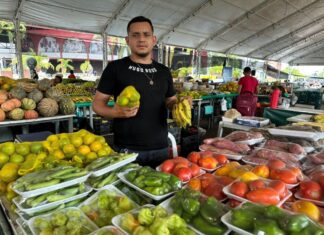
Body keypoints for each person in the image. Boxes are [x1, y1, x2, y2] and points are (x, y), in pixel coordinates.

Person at [93, 16, 189, 168]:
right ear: (127, 40)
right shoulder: (115, 68)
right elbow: (97, 105)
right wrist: (116, 112)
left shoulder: (164, 71)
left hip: (161, 147)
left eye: (146, 34)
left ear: (154, 39)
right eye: (135, 35)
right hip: (127, 150)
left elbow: (170, 101)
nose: (141, 39)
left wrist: (181, 105)